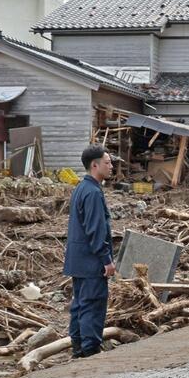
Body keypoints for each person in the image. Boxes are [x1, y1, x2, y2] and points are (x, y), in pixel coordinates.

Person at [63, 145, 116, 358]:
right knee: (92, 305)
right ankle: (90, 350)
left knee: (80, 305)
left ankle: (78, 347)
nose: (111, 166)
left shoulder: (81, 188)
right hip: (91, 260)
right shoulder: (93, 192)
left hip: (78, 260)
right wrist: (106, 260)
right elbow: (95, 229)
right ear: (95, 165)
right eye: (107, 162)